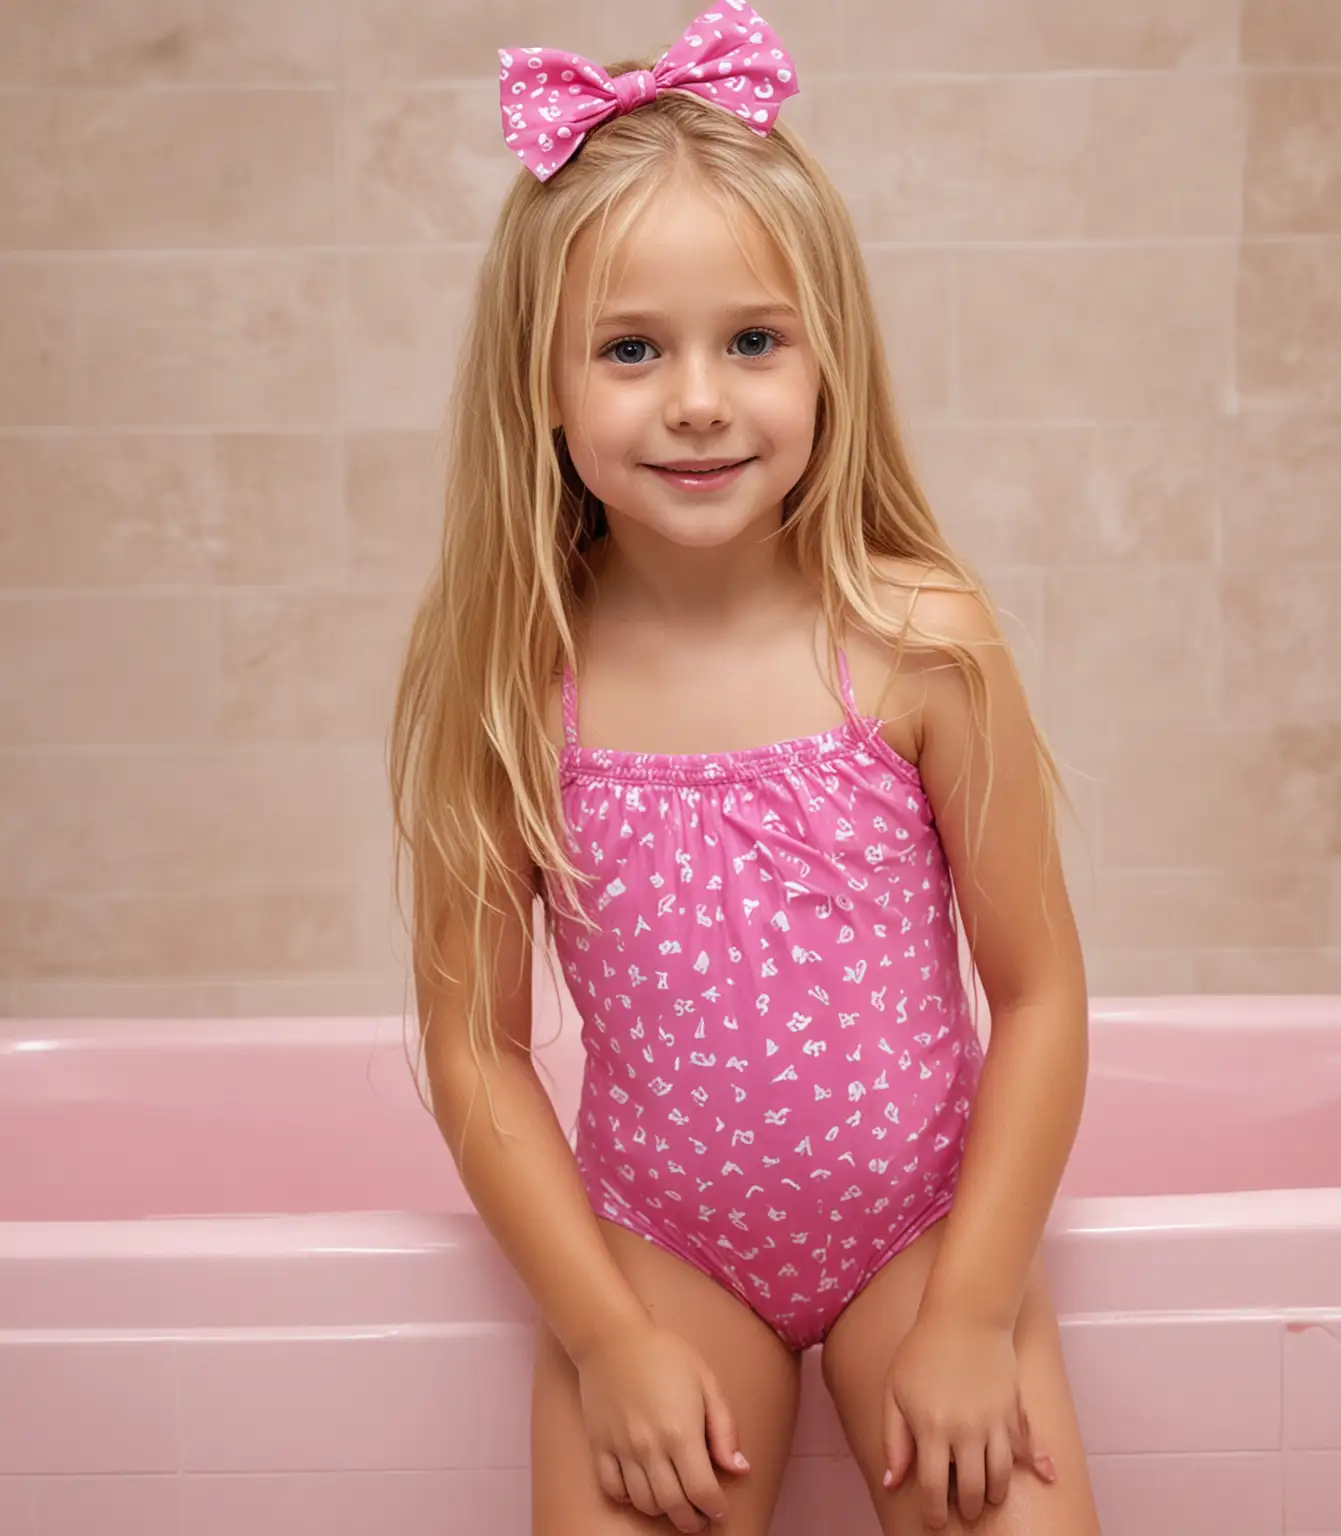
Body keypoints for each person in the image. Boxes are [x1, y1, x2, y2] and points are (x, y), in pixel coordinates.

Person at [388, 6, 1101, 1532]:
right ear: (543, 384)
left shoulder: (917, 642)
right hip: (660, 1255)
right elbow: (477, 1051)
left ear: (825, 357)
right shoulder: (517, 676)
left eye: (752, 340)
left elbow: (1038, 993)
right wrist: (607, 1336)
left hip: (926, 1238)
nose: (698, 397)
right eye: (631, 349)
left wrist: (974, 1309)